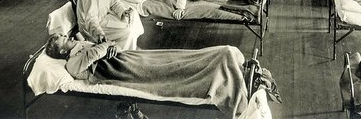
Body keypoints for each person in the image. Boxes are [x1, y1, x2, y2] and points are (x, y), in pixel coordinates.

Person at [43, 35, 249, 118]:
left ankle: (223, 58)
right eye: (64, 40)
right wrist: (105, 45)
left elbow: (104, 46)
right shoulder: (71, 63)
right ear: (62, 51)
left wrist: (108, 45)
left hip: (126, 58)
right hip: (121, 70)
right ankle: (221, 66)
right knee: (171, 71)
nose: (68, 37)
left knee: (174, 57)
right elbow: (96, 52)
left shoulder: (79, 48)